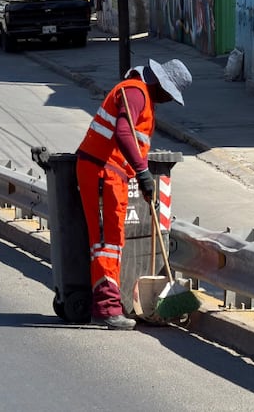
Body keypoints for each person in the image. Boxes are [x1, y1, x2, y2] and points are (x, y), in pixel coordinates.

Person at [75, 58, 192, 330]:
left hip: (110, 171)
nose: (166, 101)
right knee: (107, 242)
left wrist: (139, 175)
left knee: (112, 240)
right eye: (168, 94)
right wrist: (142, 172)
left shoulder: (137, 94)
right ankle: (107, 308)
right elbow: (124, 132)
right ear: (160, 84)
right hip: (103, 171)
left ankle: (105, 305)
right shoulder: (135, 92)